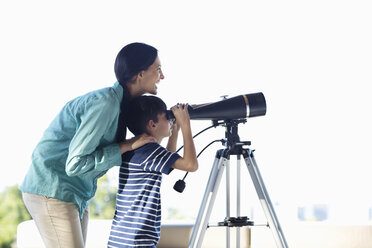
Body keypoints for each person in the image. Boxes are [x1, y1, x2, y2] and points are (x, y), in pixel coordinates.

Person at [19, 42, 164, 247]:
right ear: (140, 74)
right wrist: (126, 145)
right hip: (52, 189)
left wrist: (178, 118)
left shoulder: (124, 106)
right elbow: (75, 163)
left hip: (77, 192)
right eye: (157, 69)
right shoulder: (105, 103)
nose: (162, 76)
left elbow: (151, 130)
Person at [107, 96, 198, 248]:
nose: (170, 120)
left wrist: (174, 130)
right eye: (166, 117)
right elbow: (191, 164)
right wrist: (186, 124)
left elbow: (168, 158)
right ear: (152, 124)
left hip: (122, 238)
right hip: (138, 241)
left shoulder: (137, 147)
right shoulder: (150, 151)